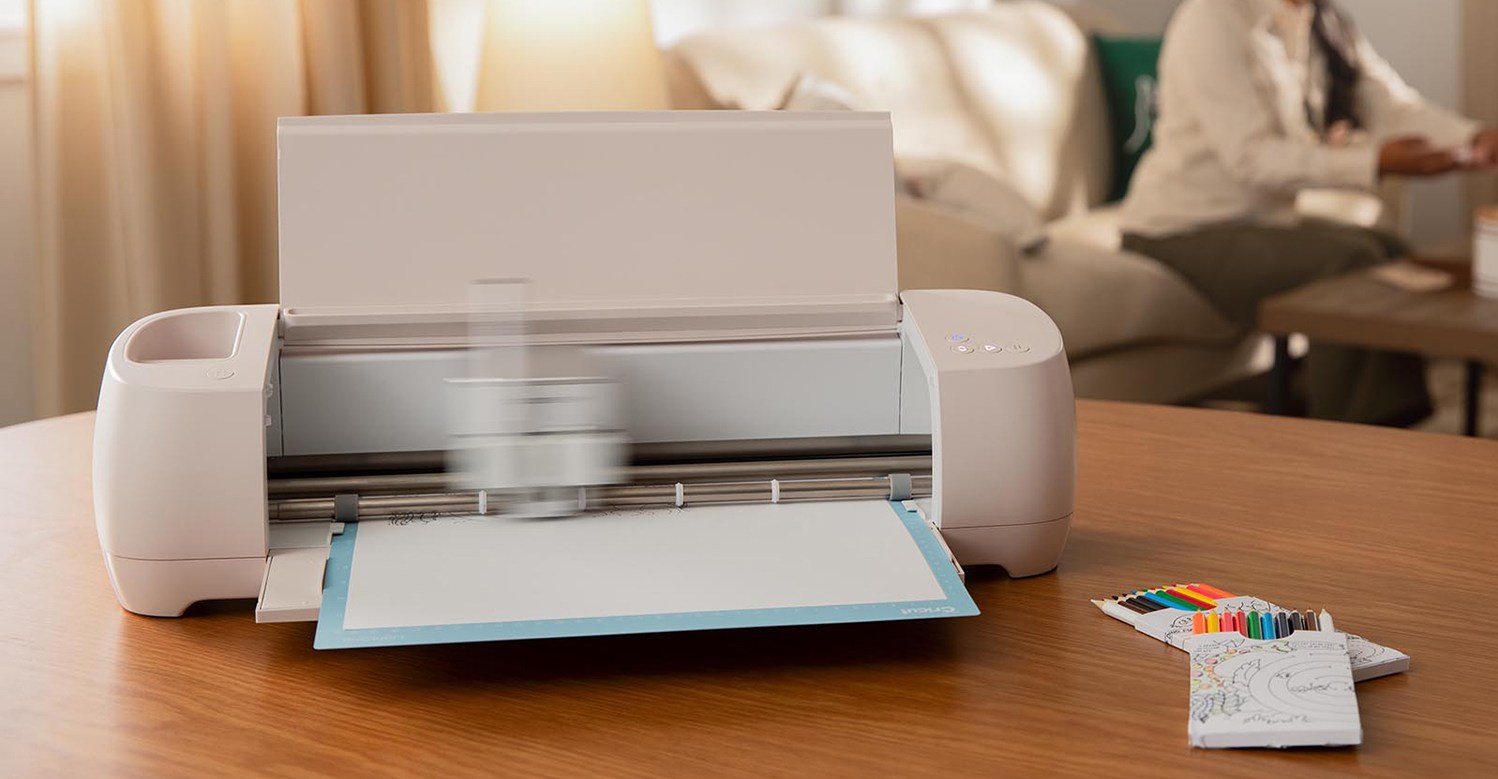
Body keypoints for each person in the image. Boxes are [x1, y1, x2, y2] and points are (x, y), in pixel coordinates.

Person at [1120, 0, 1498, 426]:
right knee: (1347, 262)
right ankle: (1347, 433)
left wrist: (1475, 137)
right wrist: (1374, 162)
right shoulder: (1213, 18)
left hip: (1265, 223)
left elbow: (1392, 108)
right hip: (1180, 229)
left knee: (1388, 248)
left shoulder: (1323, 22)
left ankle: (1391, 426)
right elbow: (1250, 158)